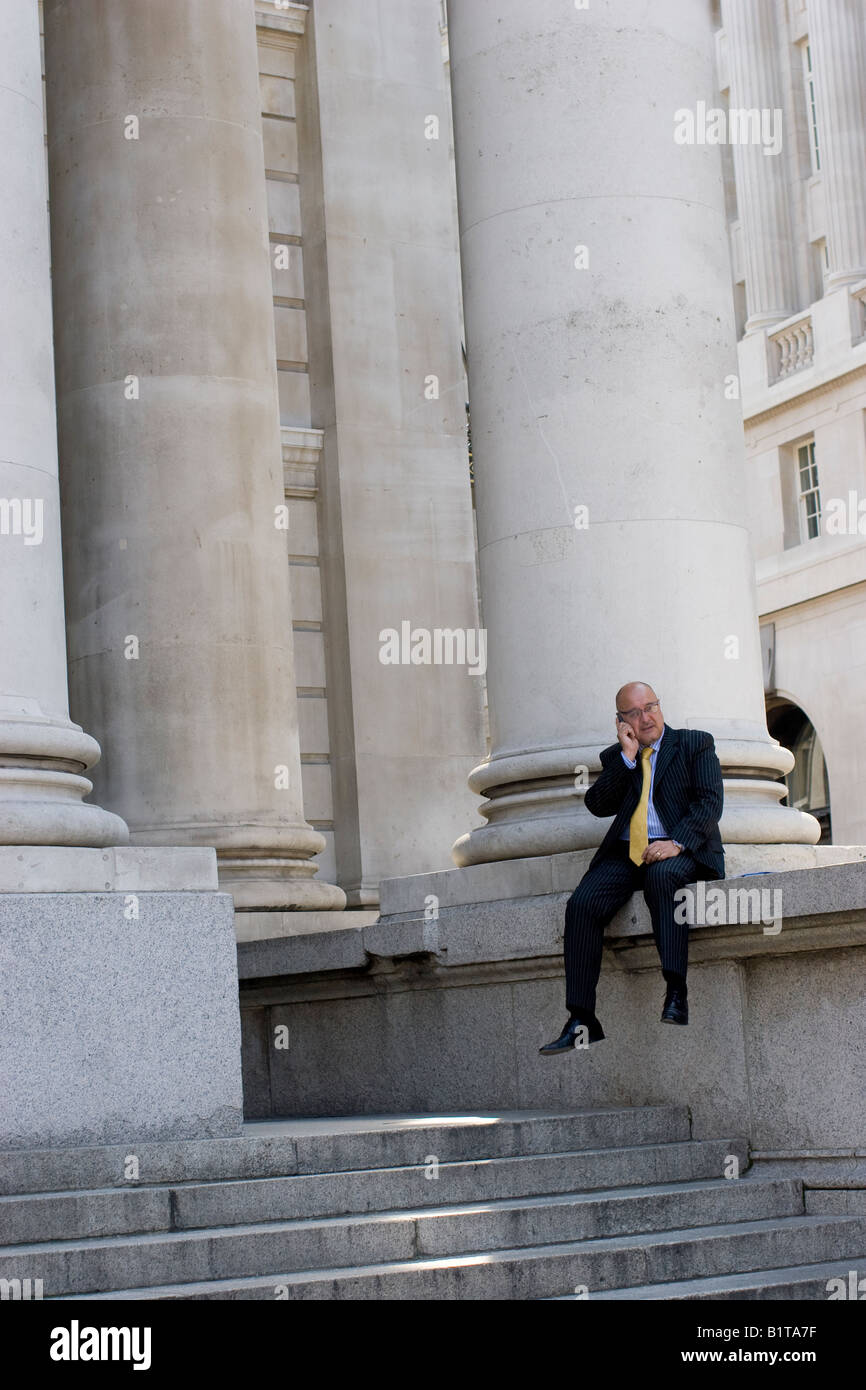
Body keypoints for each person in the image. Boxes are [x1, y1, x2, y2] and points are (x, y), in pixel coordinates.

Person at [540, 681, 724, 1054]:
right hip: (627, 854)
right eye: (635, 713)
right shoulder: (619, 756)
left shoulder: (694, 744)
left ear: (660, 706)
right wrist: (627, 757)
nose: (646, 718)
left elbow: (710, 802)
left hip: (677, 848)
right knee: (582, 905)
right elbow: (598, 805)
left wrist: (676, 843)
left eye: (650, 707)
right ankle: (582, 1019)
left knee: (662, 878)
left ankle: (676, 991)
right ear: (621, 722)